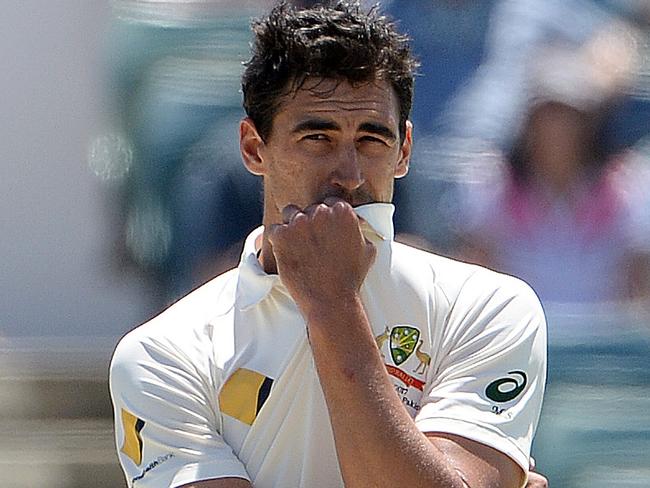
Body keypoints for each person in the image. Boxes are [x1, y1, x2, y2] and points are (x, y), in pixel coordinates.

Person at [109, 2, 547, 487]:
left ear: (404, 151)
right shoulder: (162, 354)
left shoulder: (487, 307)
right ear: (254, 148)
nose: (350, 174)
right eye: (317, 137)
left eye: (371, 139)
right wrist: (331, 301)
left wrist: (332, 306)